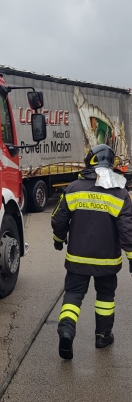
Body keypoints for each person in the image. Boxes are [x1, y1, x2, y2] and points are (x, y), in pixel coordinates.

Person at [51, 144, 132, 360]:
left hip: (77, 258)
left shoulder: (73, 188)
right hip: (107, 261)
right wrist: (131, 256)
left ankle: (66, 331)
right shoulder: (120, 193)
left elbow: (58, 219)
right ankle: (102, 336)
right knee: (105, 296)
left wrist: (58, 239)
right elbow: (127, 229)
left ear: (89, 161)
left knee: (73, 295)